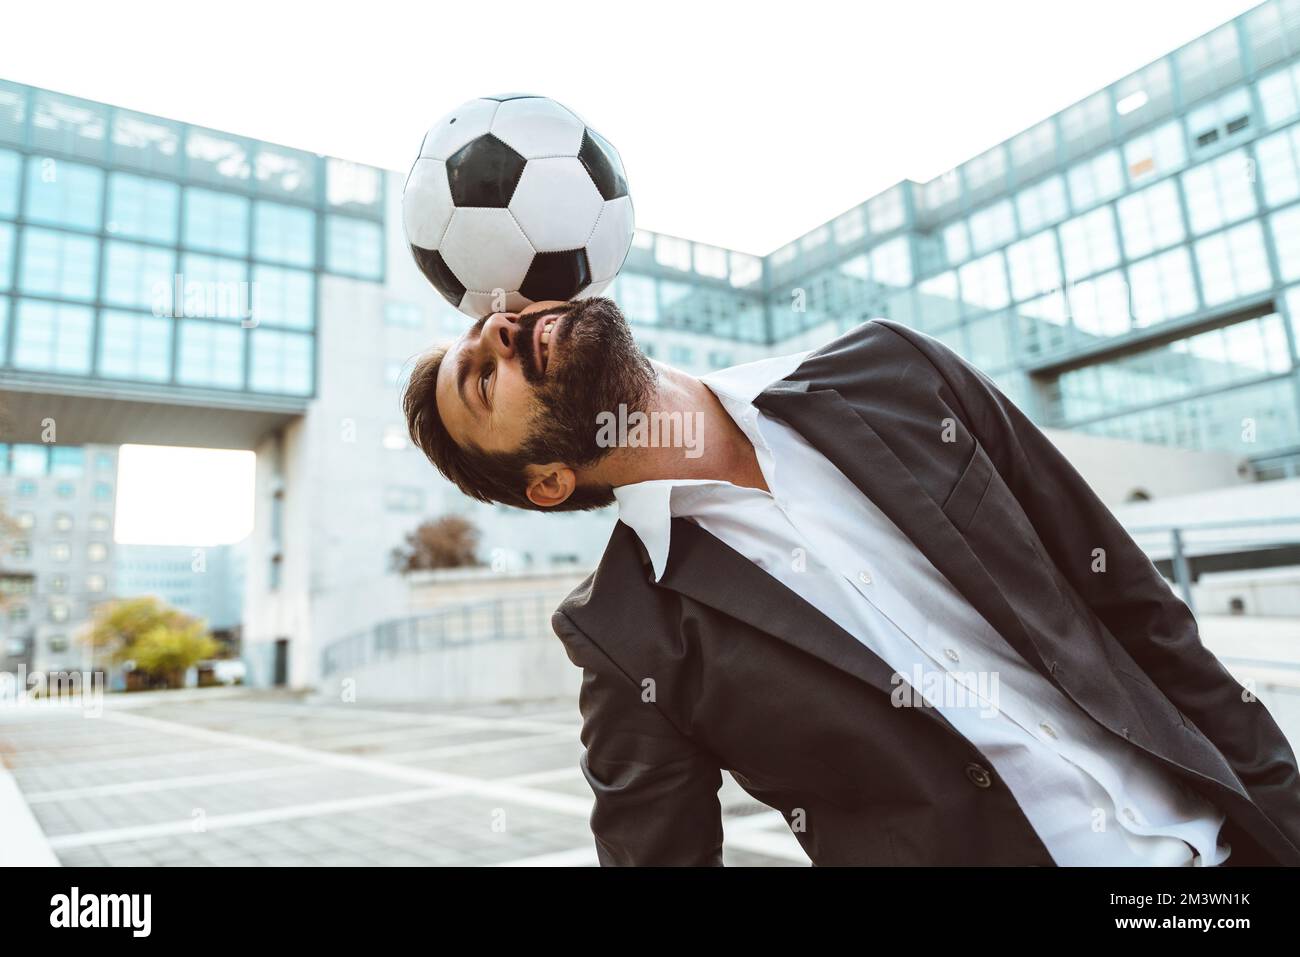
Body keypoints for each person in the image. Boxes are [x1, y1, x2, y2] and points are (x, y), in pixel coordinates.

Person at [402, 295, 1300, 866]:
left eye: (496, 323)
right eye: (484, 377)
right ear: (550, 481)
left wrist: (1285, 808)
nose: (502, 330)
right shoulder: (625, 639)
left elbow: (1135, 607)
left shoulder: (896, 373)